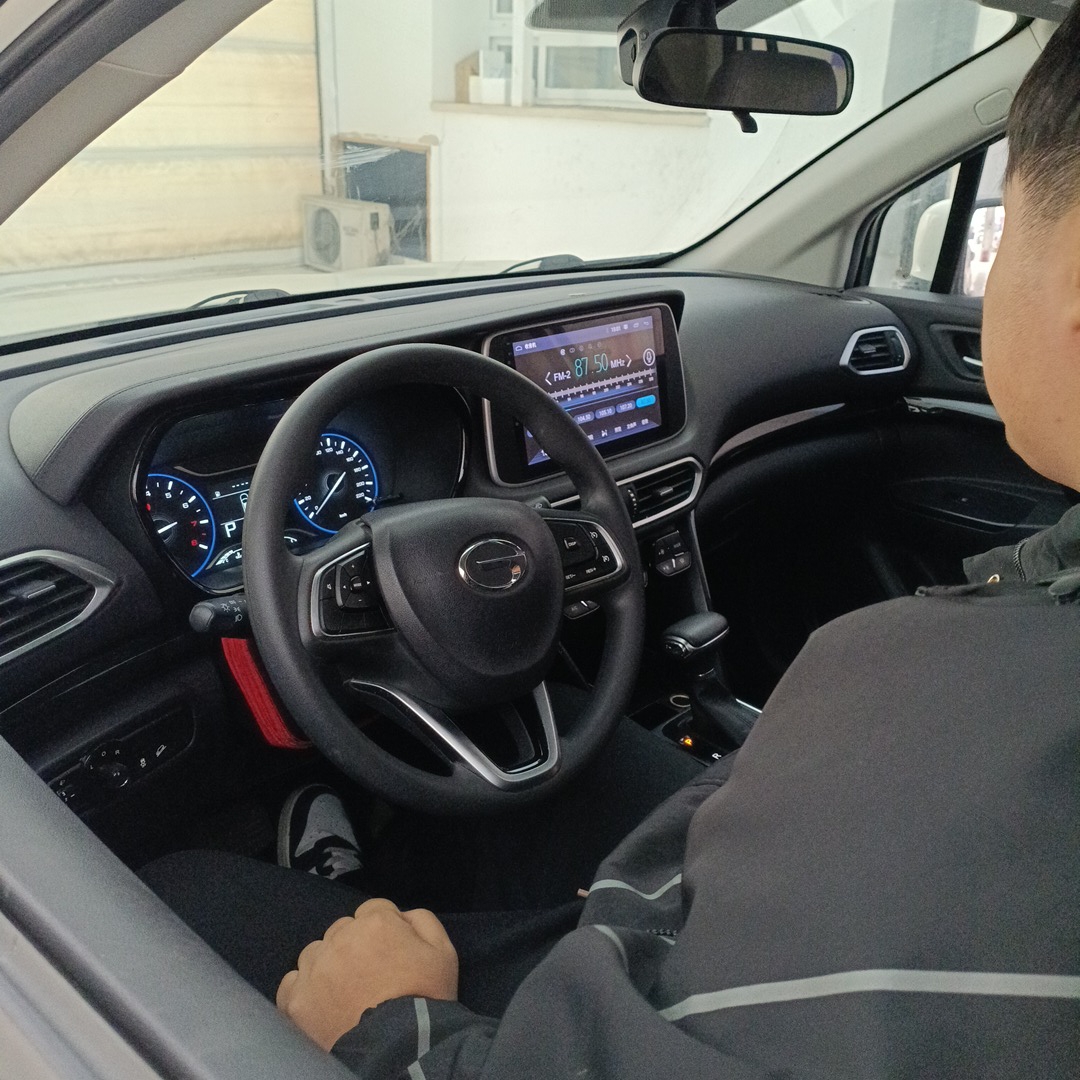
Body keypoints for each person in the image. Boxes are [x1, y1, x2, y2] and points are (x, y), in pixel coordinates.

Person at [144, 7, 1080, 1076]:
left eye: (1009, 224)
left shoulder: (930, 690)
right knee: (556, 781)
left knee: (183, 898)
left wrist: (395, 1029)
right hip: (719, 903)